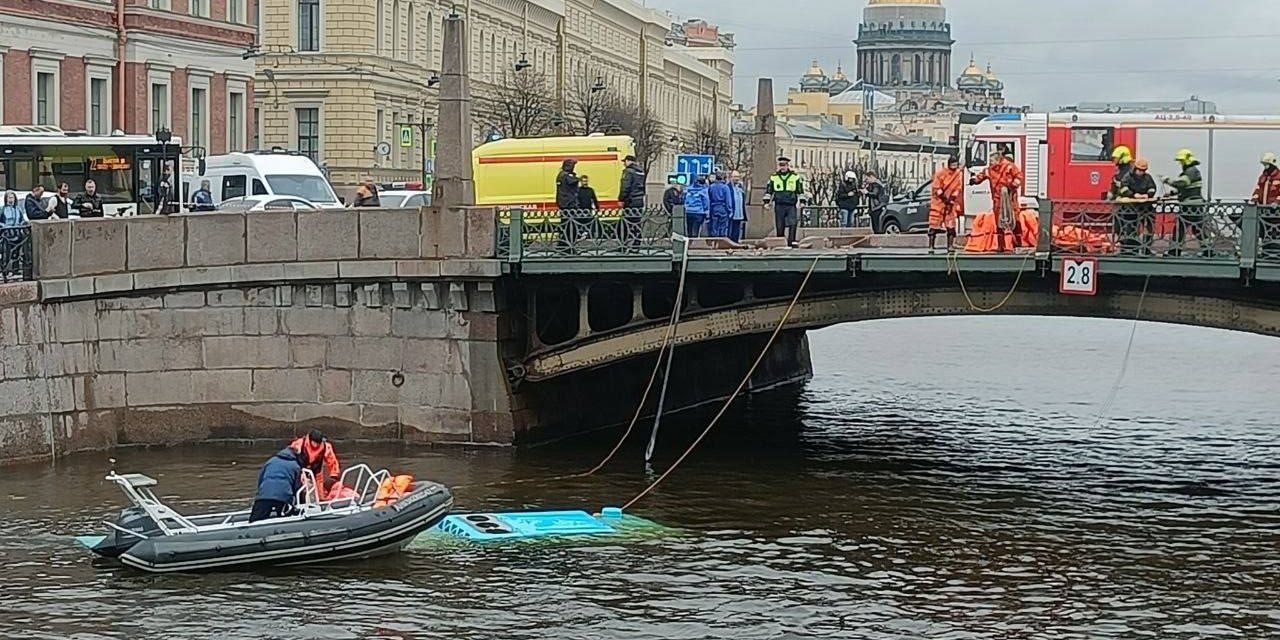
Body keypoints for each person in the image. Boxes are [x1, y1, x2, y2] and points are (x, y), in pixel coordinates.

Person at [970, 146, 1024, 251]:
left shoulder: (1009, 166)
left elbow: (1019, 176)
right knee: (999, 221)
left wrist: (1013, 185)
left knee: (1015, 220)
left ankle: (1018, 244)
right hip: (997, 199)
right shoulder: (989, 170)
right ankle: (1001, 245)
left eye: (992, 161)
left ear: (998, 160)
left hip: (1010, 198)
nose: (990, 163)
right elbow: (981, 176)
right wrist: (974, 181)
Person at [1162, 148, 1206, 256]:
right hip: (1195, 205)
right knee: (1198, 229)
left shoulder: (1191, 171)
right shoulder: (1192, 171)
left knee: (1180, 228)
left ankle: (1174, 251)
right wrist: (1172, 193)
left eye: (1181, 161)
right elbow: (1187, 188)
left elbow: (1182, 183)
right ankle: (1208, 250)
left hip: (1190, 205)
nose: (1180, 163)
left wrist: (1167, 180)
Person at [1116, 158, 1158, 255]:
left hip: (1146, 207)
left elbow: (1152, 188)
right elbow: (1123, 189)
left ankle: (1146, 248)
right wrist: (1134, 195)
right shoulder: (1128, 177)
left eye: (1143, 171)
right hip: (1131, 207)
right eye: (1140, 170)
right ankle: (1130, 249)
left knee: (1149, 226)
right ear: (1135, 169)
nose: (1141, 172)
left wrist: (1148, 195)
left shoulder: (1148, 177)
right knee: (1130, 228)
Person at [250, 447, 303, 522]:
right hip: (283, 496)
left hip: (264, 494)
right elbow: (297, 487)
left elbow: (261, 479)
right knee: (285, 517)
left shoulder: (270, 461)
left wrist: (260, 493)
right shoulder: (295, 466)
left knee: (256, 519)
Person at [289, 429, 341, 501]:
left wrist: (334, 474)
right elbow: (290, 456)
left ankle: (319, 502)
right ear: (310, 440)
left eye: (318, 443)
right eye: (314, 443)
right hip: (300, 472)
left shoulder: (325, 447)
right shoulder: (299, 444)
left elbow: (332, 461)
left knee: (320, 495)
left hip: (317, 473)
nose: (316, 445)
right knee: (298, 490)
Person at [764, 156, 803, 247]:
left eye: (784, 165)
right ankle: (780, 241)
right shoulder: (774, 177)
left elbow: (800, 190)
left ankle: (791, 241)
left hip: (791, 204)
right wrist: (766, 202)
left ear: (787, 165)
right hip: (779, 204)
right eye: (780, 165)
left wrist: (802, 202)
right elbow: (769, 191)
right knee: (779, 224)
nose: (782, 167)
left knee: (792, 223)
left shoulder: (795, 177)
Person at [927, 155, 964, 252]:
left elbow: (958, 188)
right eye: (952, 164)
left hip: (950, 203)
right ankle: (931, 246)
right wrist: (944, 198)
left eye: (955, 164)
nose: (954, 166)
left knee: (951, 225)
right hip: (938, 202)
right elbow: (936, 188)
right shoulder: (940, 174)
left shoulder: (958, 175)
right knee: (934, 224)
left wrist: (951, 199)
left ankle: (950, 246)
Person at [707, 173, 733, 238]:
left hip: (714, 208)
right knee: (723, 226)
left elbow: (709, 198)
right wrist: (730, 210)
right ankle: (721, 240)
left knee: (714, 225)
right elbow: (728, 200)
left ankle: (714, 240)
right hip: (723, 208)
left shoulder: (711, 186)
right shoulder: (725, 187)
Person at [728, 171, 747, 243]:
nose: (737, 178)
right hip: (731, 213)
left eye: (738, 177)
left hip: (739, 213)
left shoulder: (740, 188)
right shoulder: (728, 187)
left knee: (737, 230)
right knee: (730, 230)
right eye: (735, 176)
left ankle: (735, 242)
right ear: (731, 177)